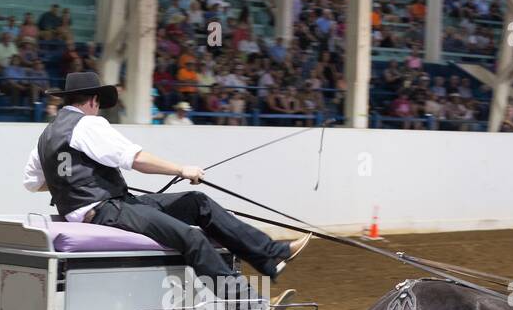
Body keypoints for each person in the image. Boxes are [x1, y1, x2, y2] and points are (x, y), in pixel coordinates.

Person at [22, 72, 309, 284]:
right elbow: (137, 159)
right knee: (190, 237)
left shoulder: (45, 136)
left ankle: (270, 255)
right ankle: (240, 300)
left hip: (112, 207)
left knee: (198, 203)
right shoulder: (89, 124)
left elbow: (33, 182)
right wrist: (181, 169)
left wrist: (69, 182)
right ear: (94, 100)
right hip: (107, 211)